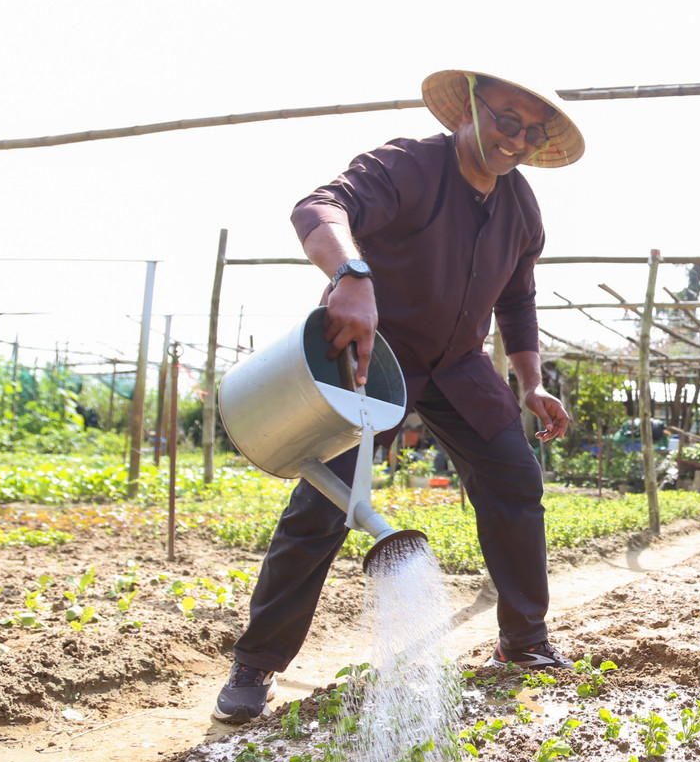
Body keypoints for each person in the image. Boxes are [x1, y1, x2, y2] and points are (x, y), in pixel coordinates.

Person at [213, 70, 583, 724]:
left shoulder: (521, 209)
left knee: (515, 478)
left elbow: (517, 299)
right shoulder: (410, 165)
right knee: (326, 496)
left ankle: (523, 640)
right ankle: (256, 662)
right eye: (505, 119)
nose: (516, 138)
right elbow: (320, 207)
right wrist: (350, 274)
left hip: (461, 366)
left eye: (531, 131)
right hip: (377, 355)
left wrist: (532, 382)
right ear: (470, 107)